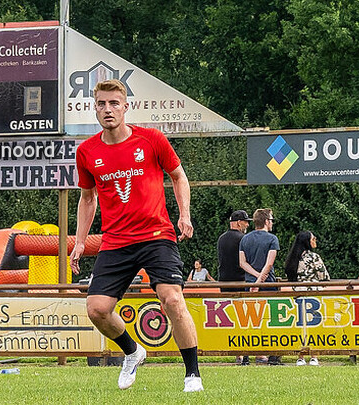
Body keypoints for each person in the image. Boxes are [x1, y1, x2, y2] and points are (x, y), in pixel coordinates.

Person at [69, 79, 203, 393]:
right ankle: (133, 351)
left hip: (157, 235)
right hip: (116, 241)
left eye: (114, 103)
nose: (107, 109)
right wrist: (78, 242)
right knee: (97, 309)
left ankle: (192, 374)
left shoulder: (152, 139)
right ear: (95, 108)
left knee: (171, 299)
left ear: (126, 106)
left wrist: (184, 214)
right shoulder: (87, 152)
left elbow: (178, 176)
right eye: (101, 104)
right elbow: (88, 199)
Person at [239, 208, 281, 365]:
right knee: (271, 320)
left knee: (250, 321)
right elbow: (269, 264)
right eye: (271, 220)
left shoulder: (245, 239)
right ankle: (272, 356)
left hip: (249, 284)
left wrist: (255, 279)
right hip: (267, 284)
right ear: (266, 221)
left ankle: (247, 355)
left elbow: (242, 263)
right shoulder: (272, 239)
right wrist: (260, 280)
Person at [285, 231, 329, 366]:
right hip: (313, 295)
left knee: (301, 327)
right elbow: (324, 276)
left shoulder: (292, 258)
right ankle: (314, 356)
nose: (315, 241)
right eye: (313, 239)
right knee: (314, 326)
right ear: (308, 242)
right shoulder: (313, 257)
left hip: (298, 295)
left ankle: (300, 356)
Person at [217, 209, 252, 365]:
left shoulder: (221, 239)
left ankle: (237, 353)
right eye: (245, 222)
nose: (247, 224)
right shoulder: (243, 239)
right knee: (245, 318)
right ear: (238, 223)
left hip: (224, 282)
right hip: (241, 282)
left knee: (231, 319)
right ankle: (246, 353)